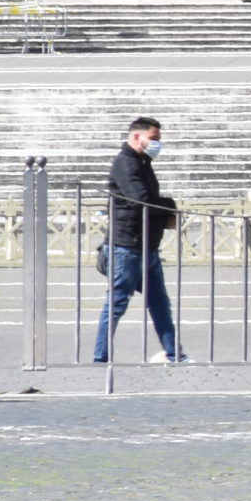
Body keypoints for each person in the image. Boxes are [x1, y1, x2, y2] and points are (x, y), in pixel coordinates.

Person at [94, 116, 185, 364]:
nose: (158, 144)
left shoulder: (143, 162)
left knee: (160, 305)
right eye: (154, 139)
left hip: (147, 248)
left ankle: (175, 353)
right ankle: (100, 357)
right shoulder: (126, 163)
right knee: (116, 305)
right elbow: (142, 199)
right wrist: (171, 206)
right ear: (137, 137)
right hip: (126, 248)